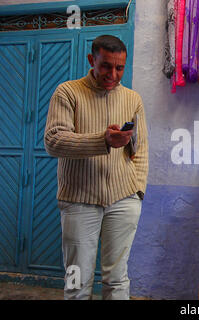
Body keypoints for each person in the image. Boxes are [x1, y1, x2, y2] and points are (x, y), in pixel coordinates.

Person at [44, 35, 149, 300]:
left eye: (120, 68)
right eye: (106, 66)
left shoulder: (133, 99)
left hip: (123, 199)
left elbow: (141, 149)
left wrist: (138, 192)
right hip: (79, 201)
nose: (113, 74)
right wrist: (102, 140)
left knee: (117, 279)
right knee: (76, 281)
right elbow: (54, 141)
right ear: (92, 60)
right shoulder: (67, 92)